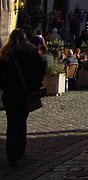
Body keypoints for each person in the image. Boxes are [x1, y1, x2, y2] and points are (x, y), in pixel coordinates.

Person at [0, 29, 45, 166]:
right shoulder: (31, 53)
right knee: (21, 121)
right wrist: (35, 85)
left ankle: (12, 154)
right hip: (25, 93)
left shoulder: (6, 53)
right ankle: (20, 149)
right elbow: (41, 70)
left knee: (12, 123)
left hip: (10, 93)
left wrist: (4, 86)